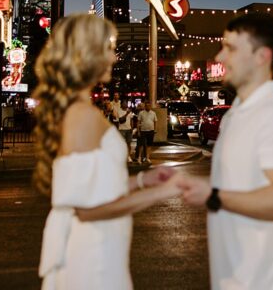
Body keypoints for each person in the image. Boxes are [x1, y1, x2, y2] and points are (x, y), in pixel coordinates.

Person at [33, 15, 181, 289]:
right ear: (85, 54)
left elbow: (95, 187)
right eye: (108, 49)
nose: (113, 58)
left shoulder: (80, 112)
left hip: (99, 248)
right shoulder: (82, 117)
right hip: (91, 259)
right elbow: (88, 209)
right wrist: (160, 194)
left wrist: (140, 181)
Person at [177, 12, 273, 290]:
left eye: (231, 48)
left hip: (266, 281)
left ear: (262, 56)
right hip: (235, 277)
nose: (220, 58)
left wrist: (212, 195)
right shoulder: (237, 113)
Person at [136, 100, 158, 165]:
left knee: (149, 145)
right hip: (143, 131)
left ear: (150, 106)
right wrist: (138, 131)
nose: (148, 107)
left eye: (149, 106)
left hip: (151, 130)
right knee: (141, 145)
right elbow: (138, 122)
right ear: (145, 106)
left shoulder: (153, 113)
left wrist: (155, 129)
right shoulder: (141, 113)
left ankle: (147, 158)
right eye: (146, 106)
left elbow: (155, 121)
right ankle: (139, 158)